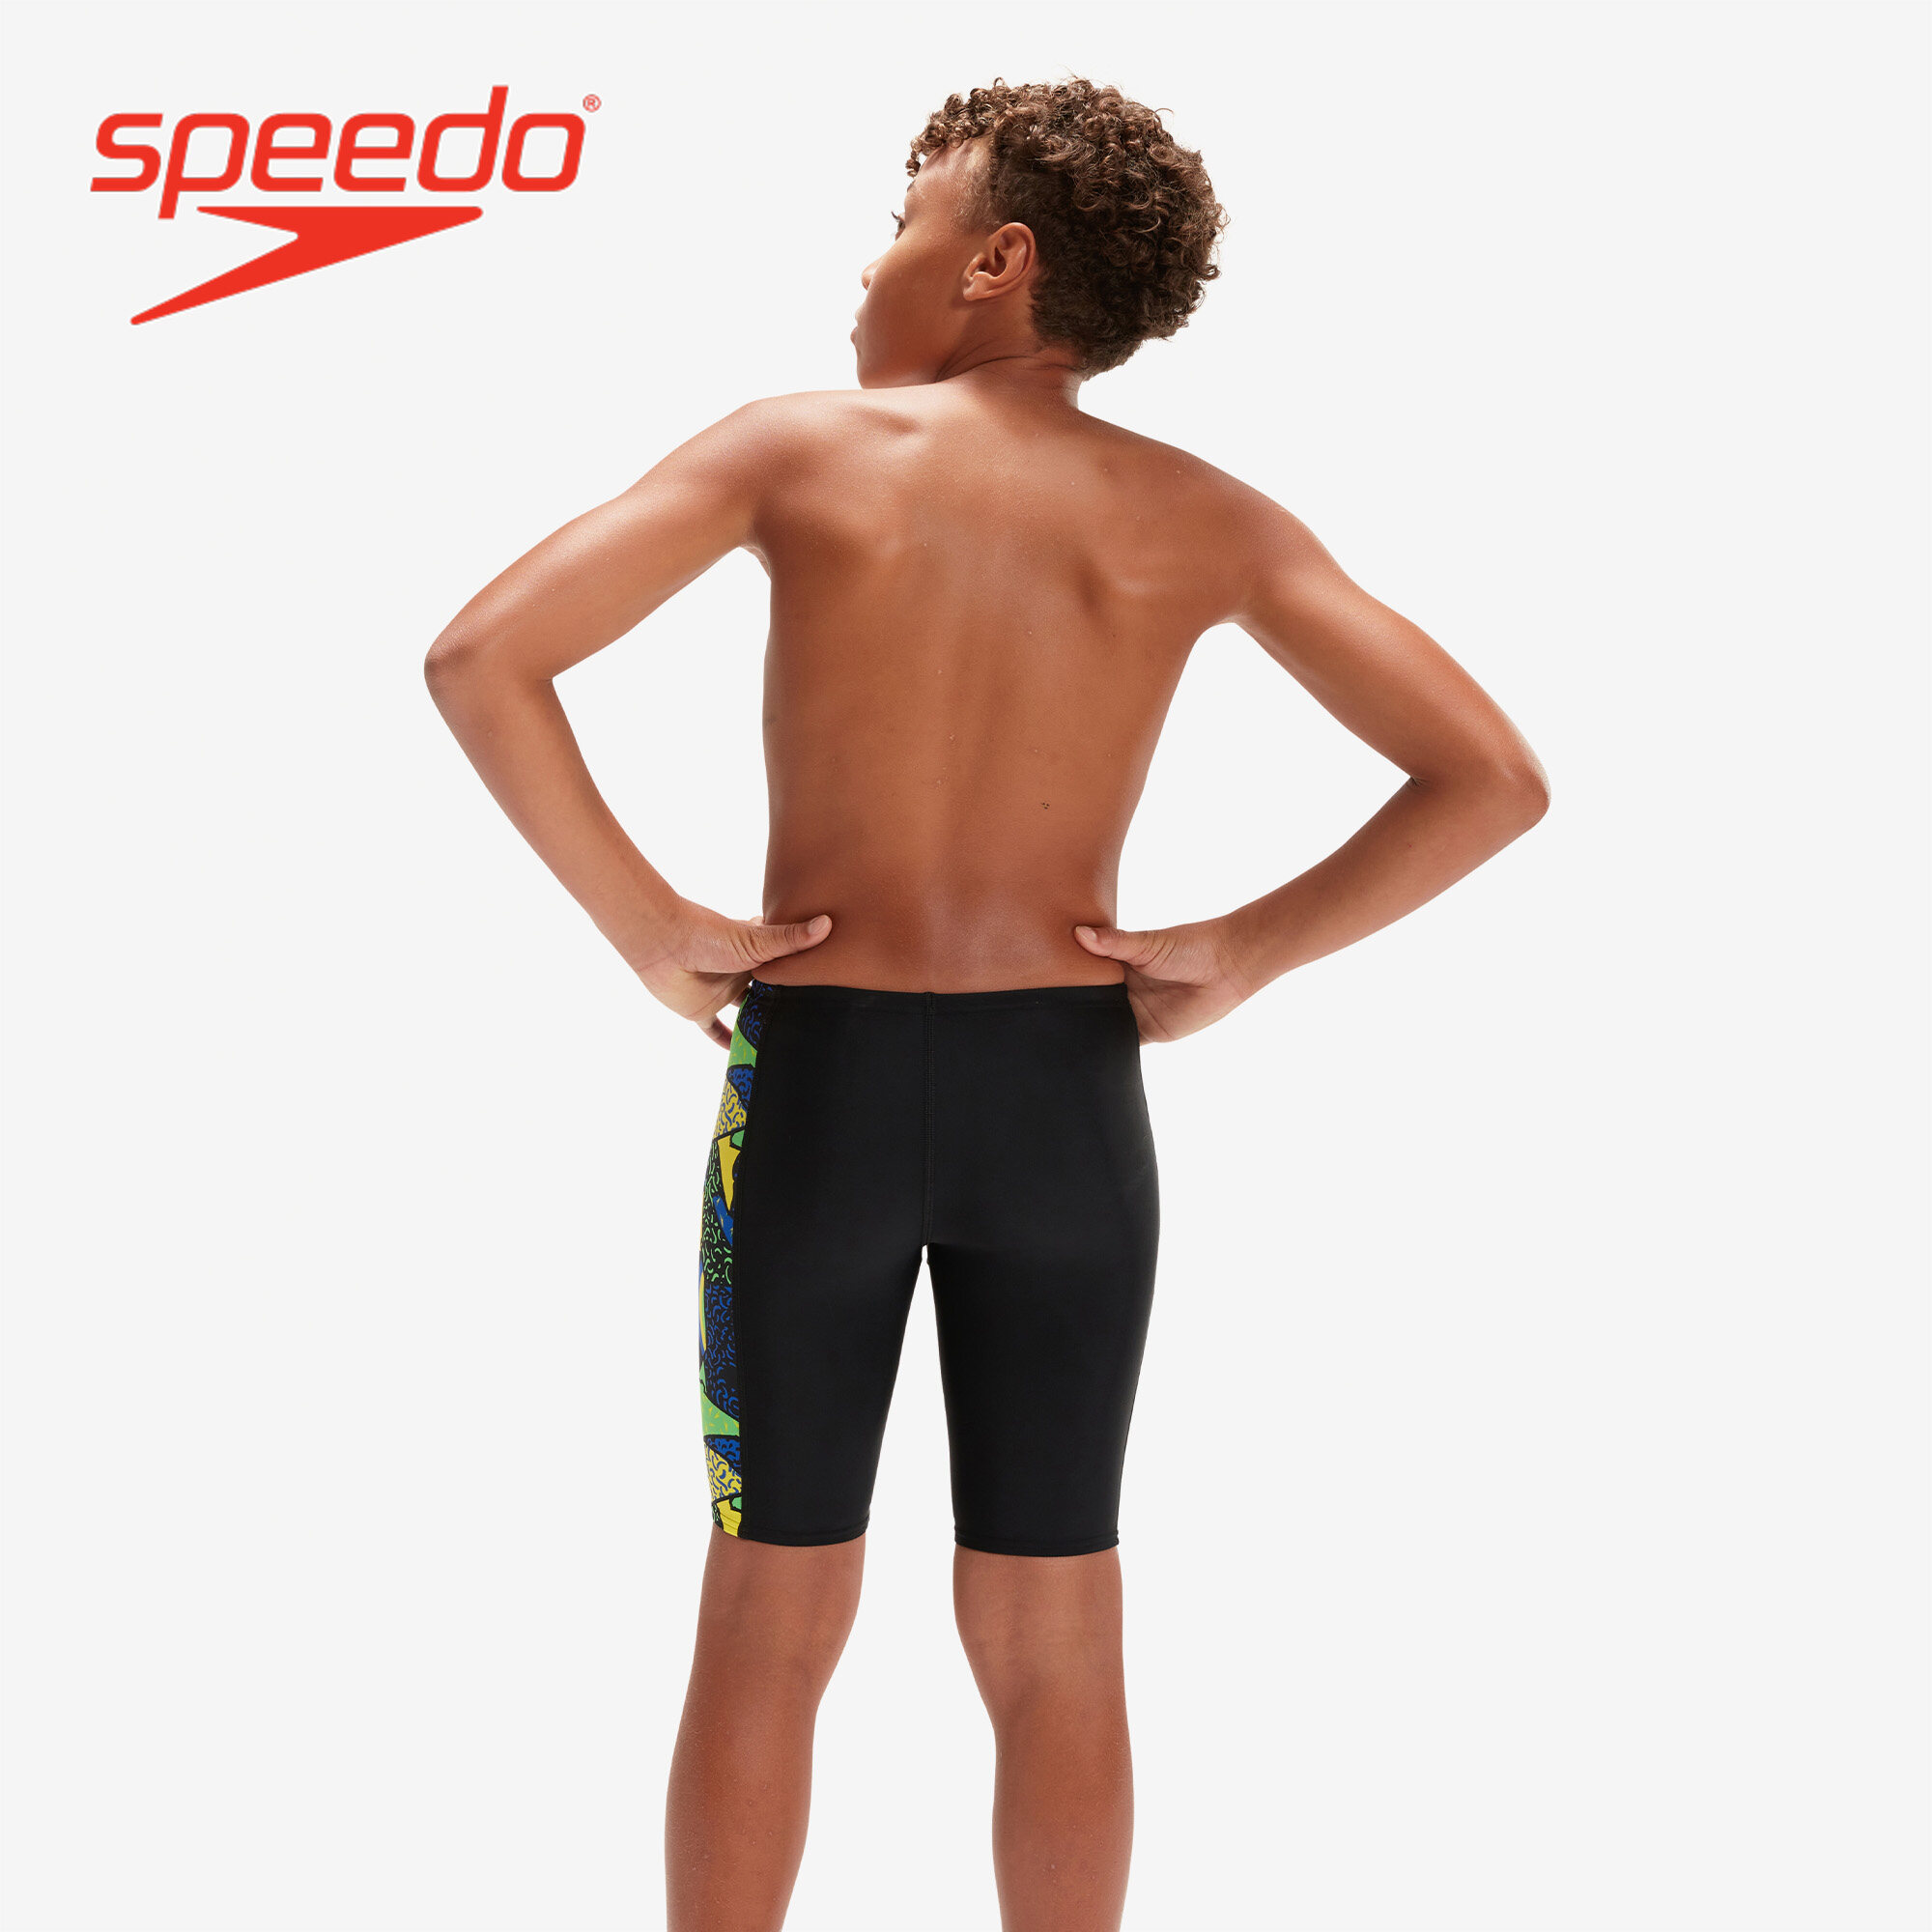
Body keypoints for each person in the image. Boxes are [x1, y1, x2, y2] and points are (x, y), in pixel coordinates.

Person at [424, 75, 1548, 1932]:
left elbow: (483, 655)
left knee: (772, 1605)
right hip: (1067, 1106)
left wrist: (650, 929)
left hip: (822, 1090)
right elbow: (1490, 778)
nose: (869, 263)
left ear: (993, 264)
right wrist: (1244, 948)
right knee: (1052, 1617)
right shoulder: (1205, 519)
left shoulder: (795, 451)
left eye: (904, 220)